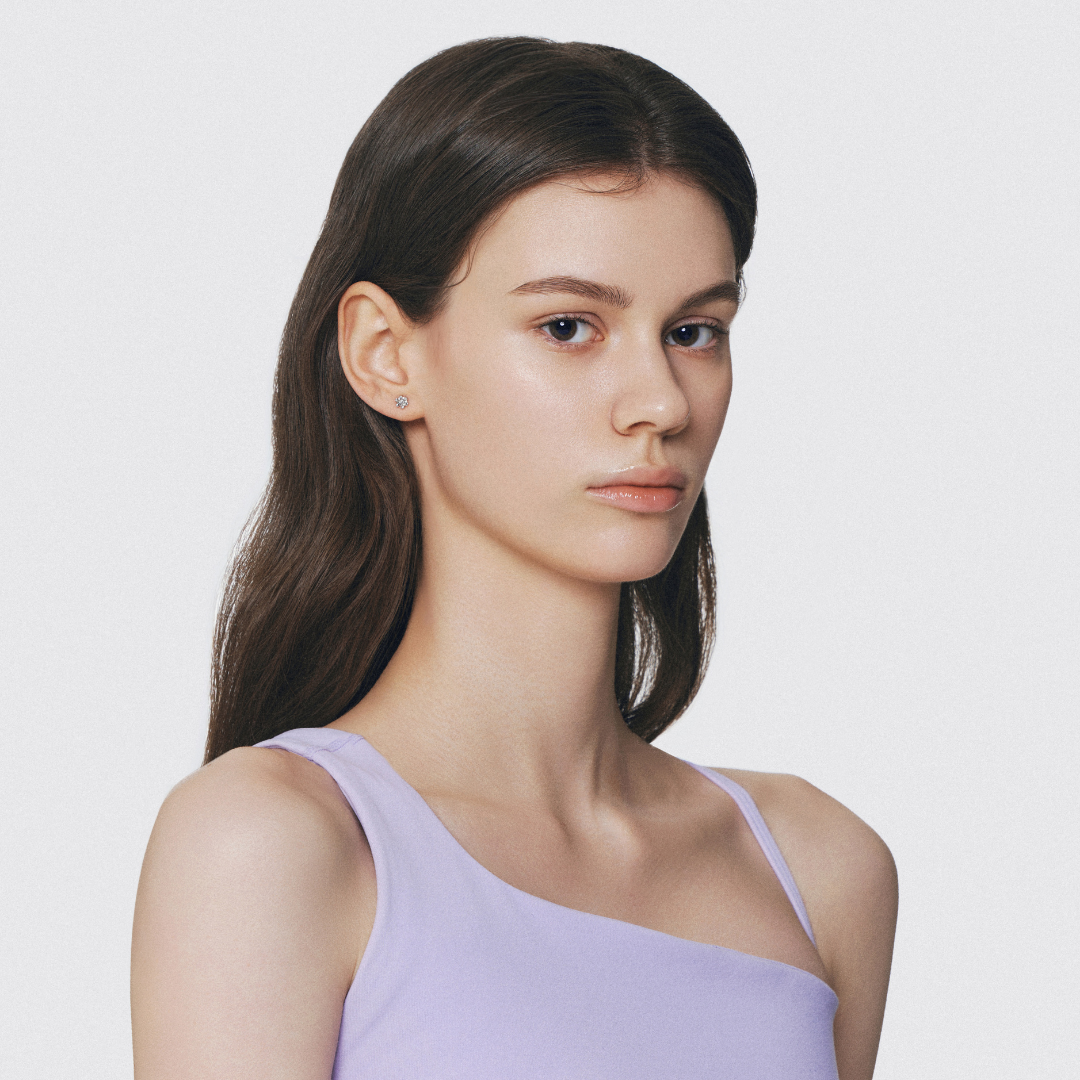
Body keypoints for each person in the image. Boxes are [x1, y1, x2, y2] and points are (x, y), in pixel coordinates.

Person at [131, 37, 897, 1080]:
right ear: (384, 355)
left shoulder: (819, 867)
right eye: (570, 326)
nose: (661, 404)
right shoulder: (276, 843)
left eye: (694, 331)